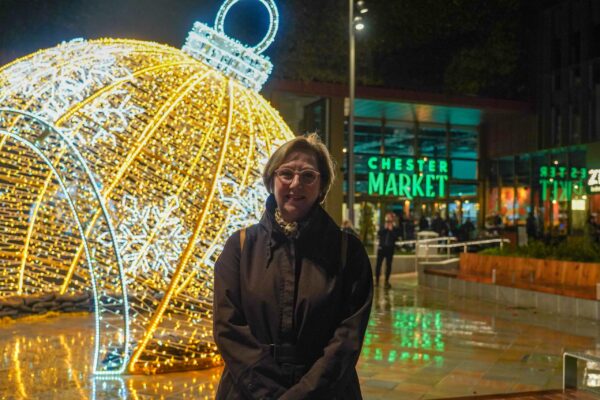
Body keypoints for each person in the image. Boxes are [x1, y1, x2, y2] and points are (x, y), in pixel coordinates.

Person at [213, 133, 373, 399]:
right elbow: (228, 328)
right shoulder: (240, 247)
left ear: (321, 186)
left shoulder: (348, 252)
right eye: (286, 173)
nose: (296, 183)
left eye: (308, 176)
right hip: (248, 391)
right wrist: (268, 393)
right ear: (271, 180)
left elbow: (347, 338)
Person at [375, 212, 401, 289]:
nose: (388, 219)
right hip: (381, 248)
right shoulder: (382, 226)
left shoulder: (395, 227)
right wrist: (385, 228)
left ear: (392, 219)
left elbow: (396, 237)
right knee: (378, 265)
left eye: (390, 217)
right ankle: (377, 281)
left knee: (388, 265)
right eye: (387, 217)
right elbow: (379, 233)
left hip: (390, 249)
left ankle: (386, 281)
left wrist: (391, 230)